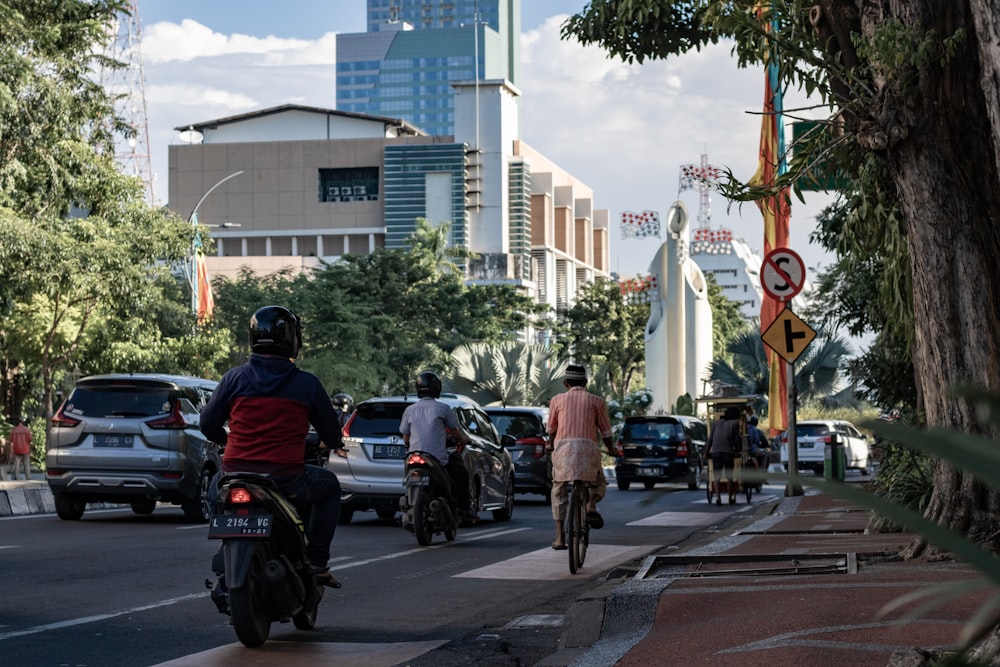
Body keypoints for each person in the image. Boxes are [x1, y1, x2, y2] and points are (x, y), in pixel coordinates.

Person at [200, 305, 347, 588]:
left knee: (213, 492)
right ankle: (316, 562)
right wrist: (333, 442)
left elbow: (207, 425)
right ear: (293, 339)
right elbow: (331, 432)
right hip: (286, 479)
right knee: (329, 487)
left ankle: (227, 544)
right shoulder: (307, 384)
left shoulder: (234, 378)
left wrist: (227, 440)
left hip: (234, 474)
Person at [545, 364, 615, 551]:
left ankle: (560, 538)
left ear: (565, 383)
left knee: (558, 489)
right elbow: (606, 431)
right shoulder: (596, 401)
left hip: (563, 452)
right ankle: (591, 505)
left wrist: (550, 444)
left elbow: (551, 429)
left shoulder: (557, 400)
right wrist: (612, 449)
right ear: (585, 382)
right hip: (588, 451)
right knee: (598, 482)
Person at [399, 370, 473, 520]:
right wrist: (464, 440)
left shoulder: (409, 410)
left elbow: (405, 437)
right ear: (437, 388)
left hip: (414, 457)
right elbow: (457, 434)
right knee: (461, 474)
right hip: (438, 459)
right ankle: (464, 509)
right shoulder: (444, 408)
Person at [705, 406, 742, 505]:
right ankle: (730, 498)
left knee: (717, 476)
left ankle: (718, 498)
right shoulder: (735, 423)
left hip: (716, 452)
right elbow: (736, 440)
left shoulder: (716, 423)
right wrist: (738, 451)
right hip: (728, 452)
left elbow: (710, 439)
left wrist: (706, 452)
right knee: (729, 476)